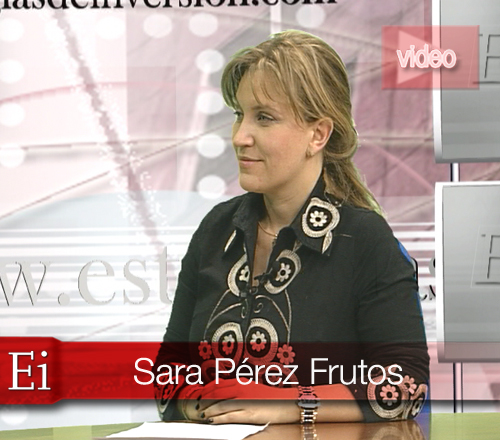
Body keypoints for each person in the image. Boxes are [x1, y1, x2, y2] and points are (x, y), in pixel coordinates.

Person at [154, 29, 429, 425]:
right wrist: (200, 403)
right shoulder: (215, 230)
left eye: (264, 118)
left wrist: (291, 403)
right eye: (239, 114)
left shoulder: (365, 240)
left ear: (318, 134)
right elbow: (167, 373)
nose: (239, 137)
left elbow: (404, 385)